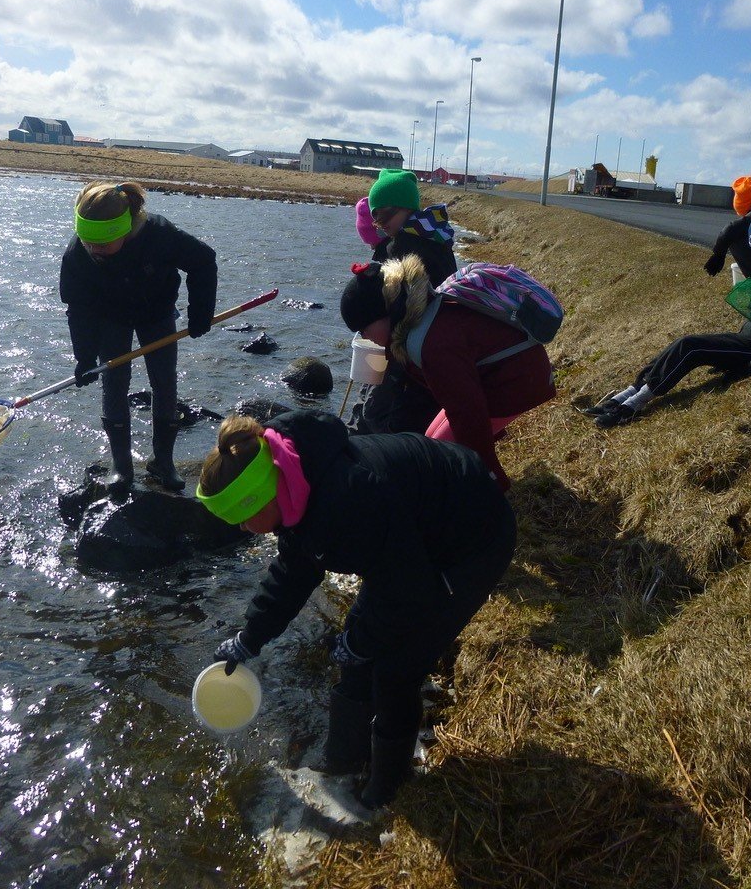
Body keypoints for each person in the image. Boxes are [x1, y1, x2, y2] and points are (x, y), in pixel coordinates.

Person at [197, 409, 514, 808]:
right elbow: (295, 570)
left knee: (396, 667)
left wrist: (363, 642)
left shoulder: (347, 497)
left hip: (471, 536)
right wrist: (250, 637)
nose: (242, 529)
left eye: (243, 520)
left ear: (260, 496)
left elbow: (408, 588)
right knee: (359, 647)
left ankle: (387, 786)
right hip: (415, 538)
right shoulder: (294, 480)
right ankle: (344, 760)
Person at [339, 256, 555, 491]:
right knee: (433, 441)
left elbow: (468, 413)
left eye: (363, 328)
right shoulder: (426, 312)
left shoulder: (431, 343)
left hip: (517, 382)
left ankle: (485, 495)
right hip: (506, 373)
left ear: (386, 314)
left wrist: (490, 475)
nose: (363, 336)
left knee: (443, 452)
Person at [59, 181, 218, 500]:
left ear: (125, 227)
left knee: (164, 381)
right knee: (113, 381)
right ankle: (122, 467)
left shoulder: (159, 234)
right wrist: (85, 357)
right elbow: (78, 308)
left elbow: (203, 261)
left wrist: (200, 314)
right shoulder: (79, 254)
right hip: (110, 318)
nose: (95, 250)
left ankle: (163, 462)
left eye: (102, 244)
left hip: (156, 313)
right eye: (89, 242)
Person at [586, 209, 751, 428]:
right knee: (680, 343)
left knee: (691, 347)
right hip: (747, 338)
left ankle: (632, 407)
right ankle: (627, 394)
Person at [350, 169, 459, 437]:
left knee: (375, 410)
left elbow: (402, 306)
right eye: (375, 218)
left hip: (409, 344)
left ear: (407, 208)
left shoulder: (406, 247)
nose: (380, 224)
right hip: (425, 341)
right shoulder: (433, 237)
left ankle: (379, 453)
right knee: (378, 405)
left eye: (384, 216)